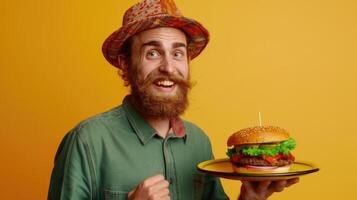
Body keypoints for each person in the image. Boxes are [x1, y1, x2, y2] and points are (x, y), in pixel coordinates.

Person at [48, 0, 299, 199]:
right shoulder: (87, 141)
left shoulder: (199, 142)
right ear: (126, 63)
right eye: (153, 52)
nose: (169, 67)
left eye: (178, 53)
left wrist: (250, 198)